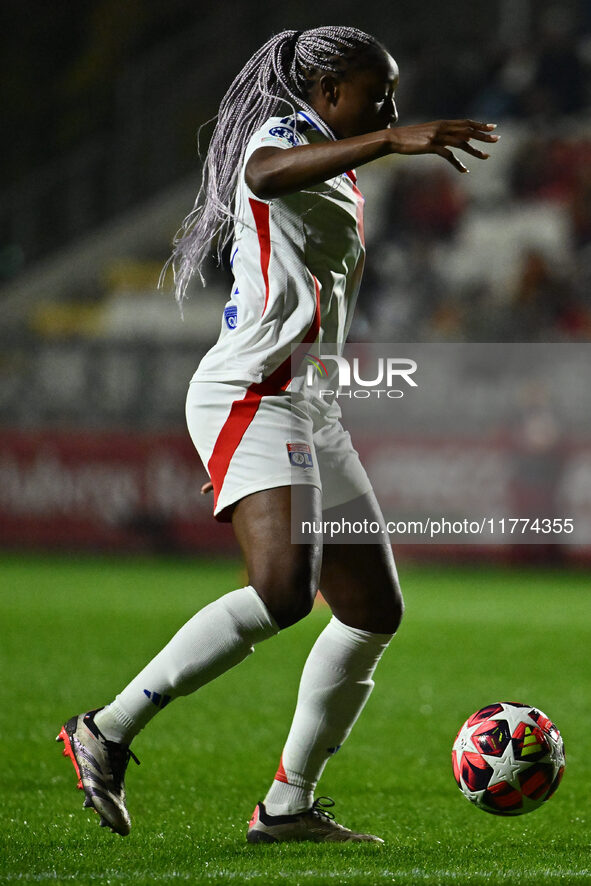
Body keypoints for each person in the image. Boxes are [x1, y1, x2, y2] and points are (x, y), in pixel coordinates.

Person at [57, 26, 498, 844]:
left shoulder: (340, 166)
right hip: (251, 396)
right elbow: (259, 174)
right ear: (327, 91)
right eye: (377, 93)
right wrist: (393, 139)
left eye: (392, 99)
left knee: (370, 613)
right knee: (285, 593)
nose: (390, 108)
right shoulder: (285, 136)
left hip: (307, 407)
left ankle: (288, 805)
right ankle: (106, 730)